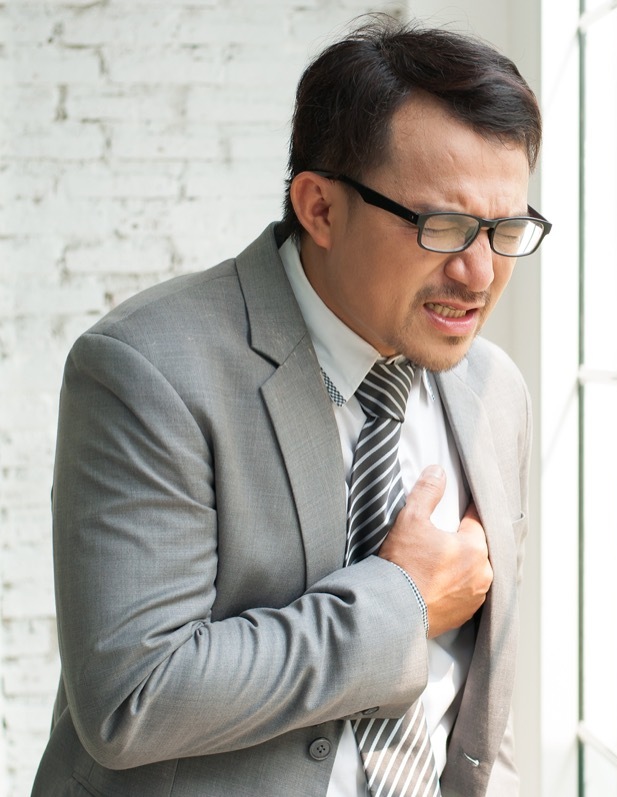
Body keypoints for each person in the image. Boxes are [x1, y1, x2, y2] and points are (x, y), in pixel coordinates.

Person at [32, 16, 548, 797]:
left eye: (505, 228)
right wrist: (401, 603)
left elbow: (473, 706)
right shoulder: (147, 371)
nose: (479, 274)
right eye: (444, 226)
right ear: (321, 208)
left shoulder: (496, 389)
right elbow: (133, 697)